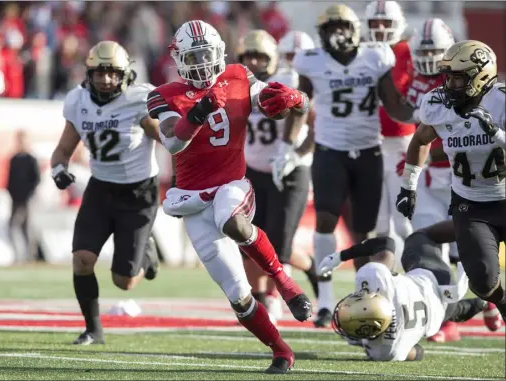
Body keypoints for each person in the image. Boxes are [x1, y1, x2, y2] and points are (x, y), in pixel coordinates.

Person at [148, 20, 312, 374]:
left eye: (207, 53)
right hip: (193, 200)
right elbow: (172, 140)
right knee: (238, 296)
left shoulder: (238, 75)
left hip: (232, 184)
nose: (203, 62)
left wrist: (292, 99)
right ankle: (281, 351)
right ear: (180, 59)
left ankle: (285, 283)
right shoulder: (161, 94)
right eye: (195, 56)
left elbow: (276, 101)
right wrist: (199, 112)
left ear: (220, 52)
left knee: (233, 221)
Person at [278, 4, 419, 328]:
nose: (337, 34)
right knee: (326, 219)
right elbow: (300, 104)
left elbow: (394, 104)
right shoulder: (311, 61)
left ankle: (364, 294)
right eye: (331, 29)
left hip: (369, 152)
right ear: (322, 34)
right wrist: (288, 146)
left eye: (342, 27)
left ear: (354, 30)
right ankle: (325, 300)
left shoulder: (375, 57)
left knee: (364, 231)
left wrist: (423, 114)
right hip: (330, 151)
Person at [50, 41, 161, 345]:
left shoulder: (139, 100)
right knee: (82, 259)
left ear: (125, 74)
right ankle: (93, 329)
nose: (105, 79)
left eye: (112, 72)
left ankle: (147, 256)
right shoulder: (77, 101)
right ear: (89, 73)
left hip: (138, 194)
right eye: (99, 72)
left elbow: (169, 139)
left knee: (123, 281)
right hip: (100, 189)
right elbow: (62, 149)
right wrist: (58, 169)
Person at [396, 40, 506, 322]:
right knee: (481, 282)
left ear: (480, 77)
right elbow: (420, 139)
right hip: (472, 203)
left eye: (458, 77)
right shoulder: (438, 104)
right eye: (448, 77)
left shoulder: (502, 101)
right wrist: (408, 186)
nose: (450, 84)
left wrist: (496, 133)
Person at [318, 220, 500, 361]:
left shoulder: (384, 352)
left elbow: (418, 352)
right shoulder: (376, 278)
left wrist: (372, 341)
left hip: (437, 315)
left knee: (453, 310)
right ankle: (476, 227)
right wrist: (341, 256)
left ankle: (481, 304)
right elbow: (385, 243)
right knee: (420, 237)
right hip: (435, 278)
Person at [239, 29, 318, 324]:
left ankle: (274, 298)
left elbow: (312, 115)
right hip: (252, 170)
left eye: (261, 56)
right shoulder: (237, 85)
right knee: (247, 241)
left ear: (273, 59)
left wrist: (296, 153)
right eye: (250, 56)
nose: (256, 62)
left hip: (287, 170)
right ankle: (260, 298)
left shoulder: (287, 82)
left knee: (278, 242)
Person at [404, 18, 462, 342]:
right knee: (430, 244)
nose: (429, 59)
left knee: (465, 250)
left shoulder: (465, 83)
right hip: (428, 177)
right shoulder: (415, 84)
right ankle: (445, 317)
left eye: (436, 52)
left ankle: (486, 302)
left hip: (463, 176)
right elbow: (418, 136)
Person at [365, 0, 415, 251]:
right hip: (370, 142)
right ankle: (386, 275)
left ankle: (423, 270)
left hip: (402, 143)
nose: (381, 27)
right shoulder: (362, 52)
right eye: (375, 22)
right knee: (379, 222)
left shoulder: (410, 52)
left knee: (404, 219)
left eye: (386, 22)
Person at [6, 129, 41, 263]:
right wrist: (11, 192)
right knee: (13, 226)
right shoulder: (14, 159)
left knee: (27, 227)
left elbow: (36, 179)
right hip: (15, 198)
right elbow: (10, 179)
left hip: (28, 199)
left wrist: (28, 194)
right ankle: (17, 255)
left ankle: (30, 256)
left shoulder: (31, 159)